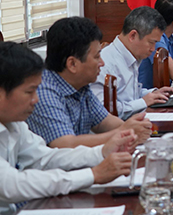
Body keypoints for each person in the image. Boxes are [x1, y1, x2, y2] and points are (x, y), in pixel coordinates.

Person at [0, 42, 136, 214]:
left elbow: (46, 158)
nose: (36, 99)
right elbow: (11, 185)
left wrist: (102, 153)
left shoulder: (14, 123)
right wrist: (93, 175)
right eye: (29, 92)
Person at [26, 17, 152, 148]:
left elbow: (103, 122)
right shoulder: (44, 92)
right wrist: (123, 132)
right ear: (72, 64)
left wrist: (134, 128)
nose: (102, 63)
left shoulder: (80, 85)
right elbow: (64, 144)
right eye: (97, 57)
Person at [90, 6, 173, 120]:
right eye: (151, 42)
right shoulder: (104, 64)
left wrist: (153, 94)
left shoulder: (131, 55)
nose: (153, 49)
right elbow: (104, 112)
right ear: (133, 36)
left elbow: (130, 95)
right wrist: (143, 102)